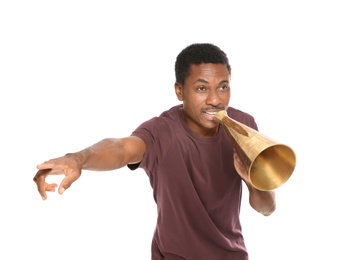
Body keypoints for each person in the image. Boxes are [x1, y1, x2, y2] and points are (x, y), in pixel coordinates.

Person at [33, 43, 276, 260]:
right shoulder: (161, 131)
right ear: (180, 91)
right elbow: (121, 148)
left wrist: (253, 180)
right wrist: (78, 159)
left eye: (223, 87)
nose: (215, 99)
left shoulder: (244, 126)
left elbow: (268, 208)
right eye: (202, 89)